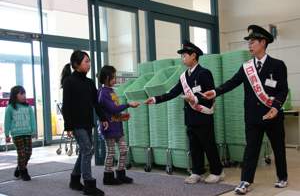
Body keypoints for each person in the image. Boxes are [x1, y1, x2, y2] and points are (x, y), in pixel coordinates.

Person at [204, 25, 289, 194]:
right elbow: (231, 83)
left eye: (252, 42)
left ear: (263, 42)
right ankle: (245, 181)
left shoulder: (277, 65)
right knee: (251, 149)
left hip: (273, 115)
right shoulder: (246, 67)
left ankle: (282, 177)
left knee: (278, 148)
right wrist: (214, 92)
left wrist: (275, 107)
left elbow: (283, 90)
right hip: (253, 116)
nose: (249, 45)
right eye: (248, 42)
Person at [146, 40, 225, 184]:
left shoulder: (204, 73)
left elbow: (210, 96)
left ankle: (217, 172)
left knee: (209, 145)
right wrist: (155, 99)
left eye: (184, 56)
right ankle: (198, 172)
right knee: (194, 146)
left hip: (203, 116)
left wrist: (194, 99)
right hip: (190, 117)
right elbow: (172, 93)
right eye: (182, 57)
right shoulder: (184, 76)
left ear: (193, 55)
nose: (182, 59)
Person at [61, 50, 108, 196]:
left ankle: (75, 180)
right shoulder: (69, 81)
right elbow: (66, 106)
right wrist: (68, 126)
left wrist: (103, 118)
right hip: (76, 124)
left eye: (89, 61)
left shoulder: (89, 82)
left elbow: (96, 103)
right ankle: (88, 183)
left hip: (87, 123)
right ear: (76, 64)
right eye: (85, 61)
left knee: (84, 151)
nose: (88, 64)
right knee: (87, 150)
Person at [97, 65, 139, 185]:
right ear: (106, 77)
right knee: (111, 152)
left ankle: (121, 173)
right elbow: (113, 108)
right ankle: (108, 176)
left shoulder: (111, 92)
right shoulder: (103, 93)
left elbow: (113, 111)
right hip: (109, 128)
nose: (115, 80)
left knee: (123, 150)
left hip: (117, 127)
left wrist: (121, 117)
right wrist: (128, 104)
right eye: (113, 77)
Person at [4, 85, 37, 181]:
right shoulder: (10, 108)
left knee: (28, 153)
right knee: (21, 154)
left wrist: (33, 131)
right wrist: (7, 135)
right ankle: (23, 172)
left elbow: (32, 120)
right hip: (16, 134)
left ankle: (19, 167)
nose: (24, 96)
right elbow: (7, 122)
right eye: (21, 94)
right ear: (14, 96)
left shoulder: (28, 107)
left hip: (27, 133)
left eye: (24, 94)